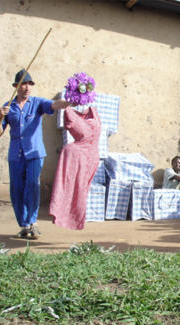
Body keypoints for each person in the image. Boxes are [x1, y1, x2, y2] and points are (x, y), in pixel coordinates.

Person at [0, 69, 70, 239]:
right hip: (16, 155)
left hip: (34, 153)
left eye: (29, 84)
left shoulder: (37, 103)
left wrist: (68, 102)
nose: (27, 88)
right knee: (16, 190)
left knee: (32, 187)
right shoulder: (8, 107)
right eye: (23, 84)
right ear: (16, 87)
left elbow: (54, 104)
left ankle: (33, 223)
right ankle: (24, 225)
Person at [49, 72, 101, 230]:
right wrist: (70, 102)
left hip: (91, 157)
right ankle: (69, 219)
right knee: (73, 188)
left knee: (81, 190)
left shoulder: (94, 111)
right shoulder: (69, 112)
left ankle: (74, 219)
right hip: (76, 156)